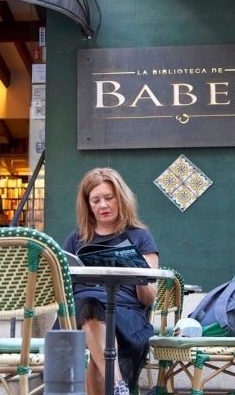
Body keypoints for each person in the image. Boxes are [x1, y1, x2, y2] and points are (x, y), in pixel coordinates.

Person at [63, 167, 159, 395]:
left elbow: (149, 299)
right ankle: (118, 387)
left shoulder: (140, 237)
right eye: (95, 200)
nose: (102, 205)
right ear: (88, 205)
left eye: (108, 198)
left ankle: (117, 388)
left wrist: (138, 272)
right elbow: (61, 288)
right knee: (88, 309)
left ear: (120, 199)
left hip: (125, 314)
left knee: (95, 329)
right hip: (79, 313)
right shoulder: (76, 239)